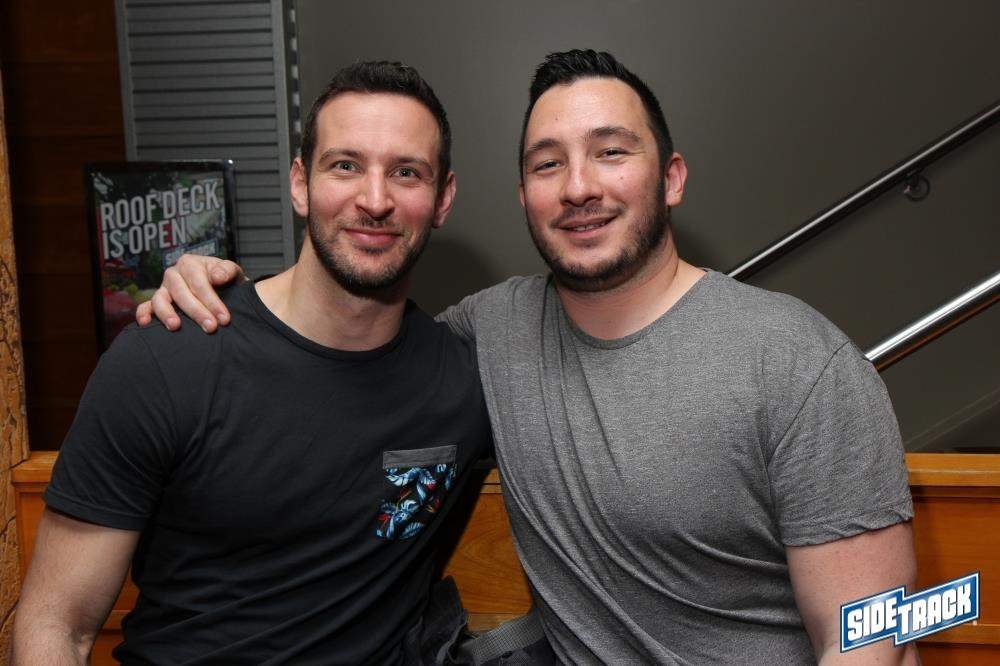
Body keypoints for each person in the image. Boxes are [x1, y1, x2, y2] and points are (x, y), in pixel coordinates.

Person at [139, 50, 918, 664]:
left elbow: (874, 636)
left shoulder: (796, 363)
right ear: (523, 196)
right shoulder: (489, 333)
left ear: (672, 177)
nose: (578, 187)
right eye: (548, 164)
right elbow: (344, 334)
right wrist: (218, 289)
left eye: (611, 152)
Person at [12, 61, 494, 665]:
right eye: (345, 166)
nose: (375, 200)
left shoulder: (464, 380)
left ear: (442, 198)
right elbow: (58, 624)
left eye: (406, 172)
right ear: (300, 183)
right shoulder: (168, 358)